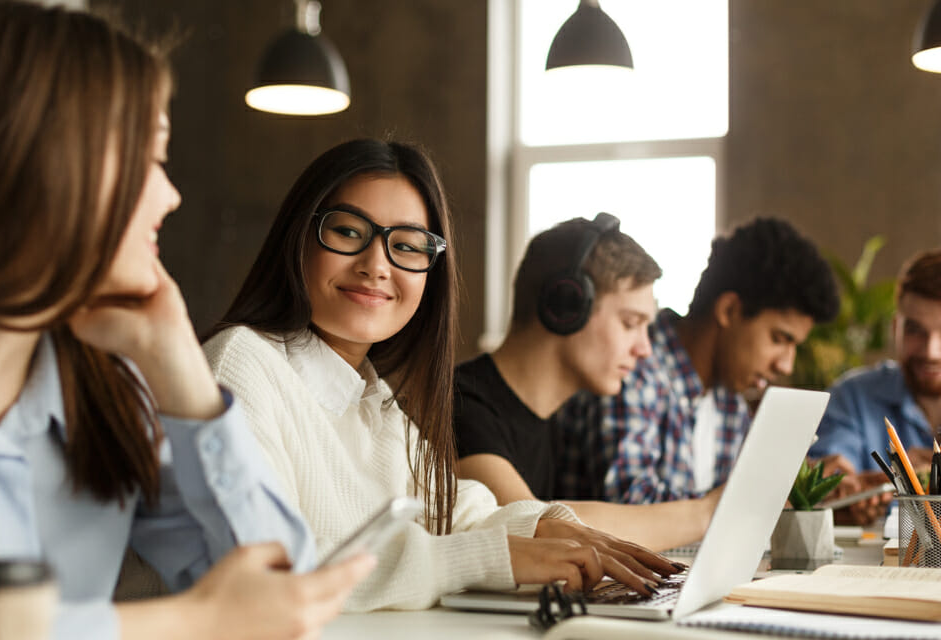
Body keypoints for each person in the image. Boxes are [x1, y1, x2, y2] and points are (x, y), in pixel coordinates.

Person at [0, 3, 373, 640]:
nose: (169, 196)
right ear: (36, 160)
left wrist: (183, 376)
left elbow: (281, 601)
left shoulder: (103, 388)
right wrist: (188, 630)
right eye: (149, 158)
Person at [204, 138, 684, 612]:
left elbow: (454, 509)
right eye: (349, 232)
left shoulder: (370, 396)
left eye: (408, 246)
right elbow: (271, 571)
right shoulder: (240, 364)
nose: (376, 265)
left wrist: (545, 527)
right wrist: (492, 557)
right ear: (299, 239)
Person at [454, 215, 721, 551]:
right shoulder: (460, 405)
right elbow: (535, 528)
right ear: (566, 306)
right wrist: (710, 512)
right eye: (629, 323)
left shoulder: (559, 422)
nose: (645, 349)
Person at [556, 217, 840, 504]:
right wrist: (760, 500)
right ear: (729, 310)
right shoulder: (632, 366)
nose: (786, 366)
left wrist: (812, 493)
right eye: (779, 339)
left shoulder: (729, 400)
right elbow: (632, 503)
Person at [808, 249, 941, 522]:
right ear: (895, 329)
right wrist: (842, 491)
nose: (931, 351)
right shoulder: (851, 396)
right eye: (915, 330)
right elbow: (831, 476)